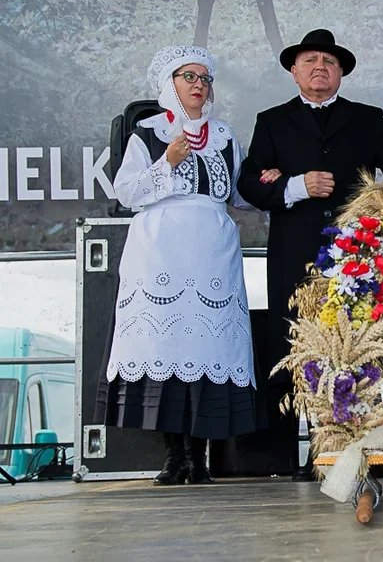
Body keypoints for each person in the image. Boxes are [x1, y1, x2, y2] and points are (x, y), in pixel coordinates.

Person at [236, 29, 383, 481]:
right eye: (310, 60)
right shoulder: (272, 121)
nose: (320, 67)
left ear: (341, 73)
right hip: (296, 255)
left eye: (330, 62)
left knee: (370, 341)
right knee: (303, 346)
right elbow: (248, 184)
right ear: (294, 71)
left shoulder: (367, 118)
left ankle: (380, 448)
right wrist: (293, 185)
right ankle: (316, 452)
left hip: (360, 251)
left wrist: (382, 200)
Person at [98, 45, 264, 485]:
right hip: (160, 251)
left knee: (209, 352)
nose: (199, 85)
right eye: (188, 76)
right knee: (166, 349)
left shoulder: (225, 135)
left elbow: (239, 192)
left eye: (205, 78)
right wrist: (167, 161)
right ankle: (175, 457)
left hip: (212, 251)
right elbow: (127, 193)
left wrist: (273, 184)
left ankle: (202, 457)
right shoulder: (147, 134)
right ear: (168, 85)